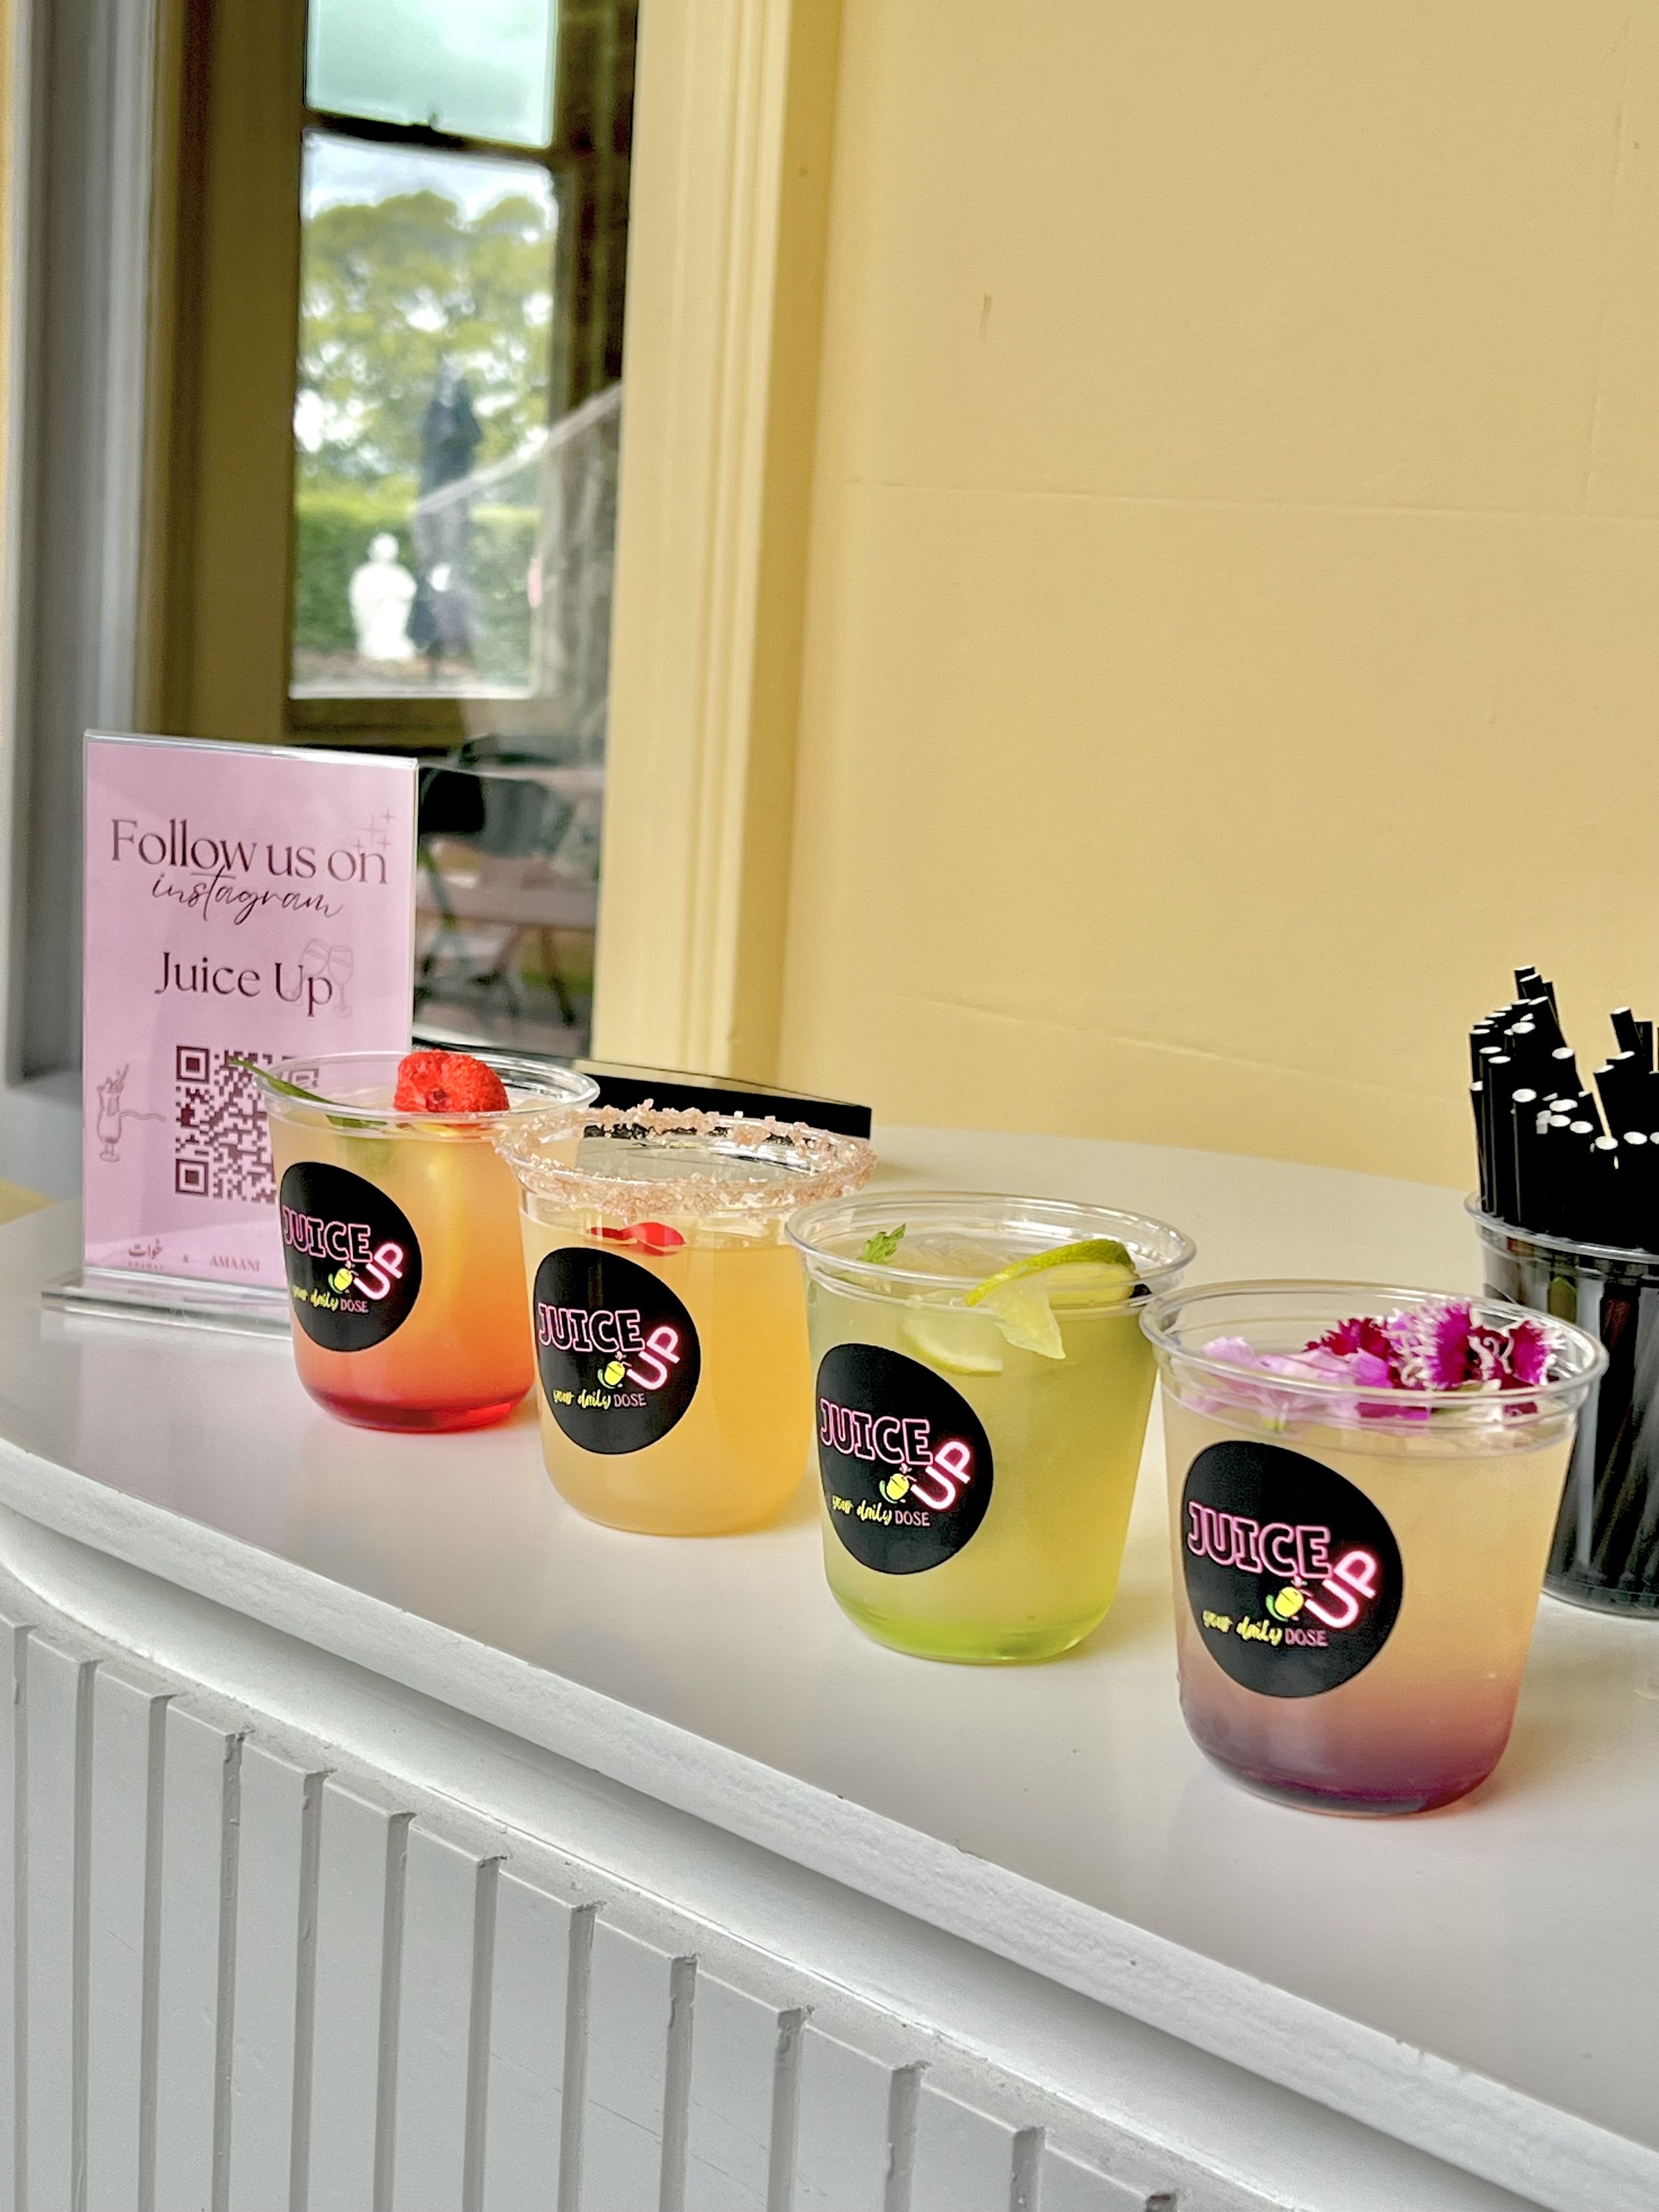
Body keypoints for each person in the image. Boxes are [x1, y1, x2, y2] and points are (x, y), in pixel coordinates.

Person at [348, 533, 417, 663]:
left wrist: (398, 594)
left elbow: (409, 590)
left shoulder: (398, 572)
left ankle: (392, 644)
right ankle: (375, 647)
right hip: (375, 618)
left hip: (395, 617)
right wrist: (379, 597)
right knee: (377, 635)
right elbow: (360, 597)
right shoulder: (365, 573)